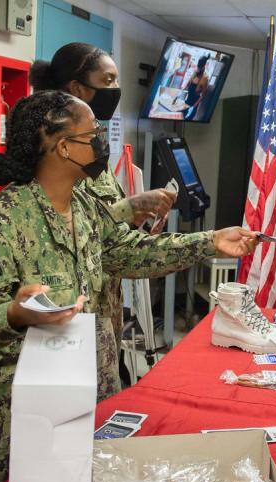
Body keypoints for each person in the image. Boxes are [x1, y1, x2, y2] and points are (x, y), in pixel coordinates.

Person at [0, 90, 256, 482]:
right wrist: (12, 314)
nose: (101, 142)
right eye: (92, 133)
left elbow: (129, 252)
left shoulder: (85, 207)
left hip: (46, 413)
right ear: (62, 147)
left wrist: (209, 241)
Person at [30, 42, 176, 385]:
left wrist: (136, 217)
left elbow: (104, 218)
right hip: (69, 315)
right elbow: (70, 223)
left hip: (105, 301)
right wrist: (132, 207)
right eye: (107, 80)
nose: (115, 90)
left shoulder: (92, 148)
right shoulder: (54, 152)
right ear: (78, 88)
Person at [183, 55, 210, 120]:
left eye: (199, 68)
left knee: (188, 119)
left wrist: (194, 105)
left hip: (194, 104)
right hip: (187, 101)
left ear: (203, 67)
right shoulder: (195, 73)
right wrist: (182, 91)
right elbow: (188, 84)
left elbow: (203, 95)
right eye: (198, 68)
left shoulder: (205, 78)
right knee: (181, 115)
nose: (198, 70)